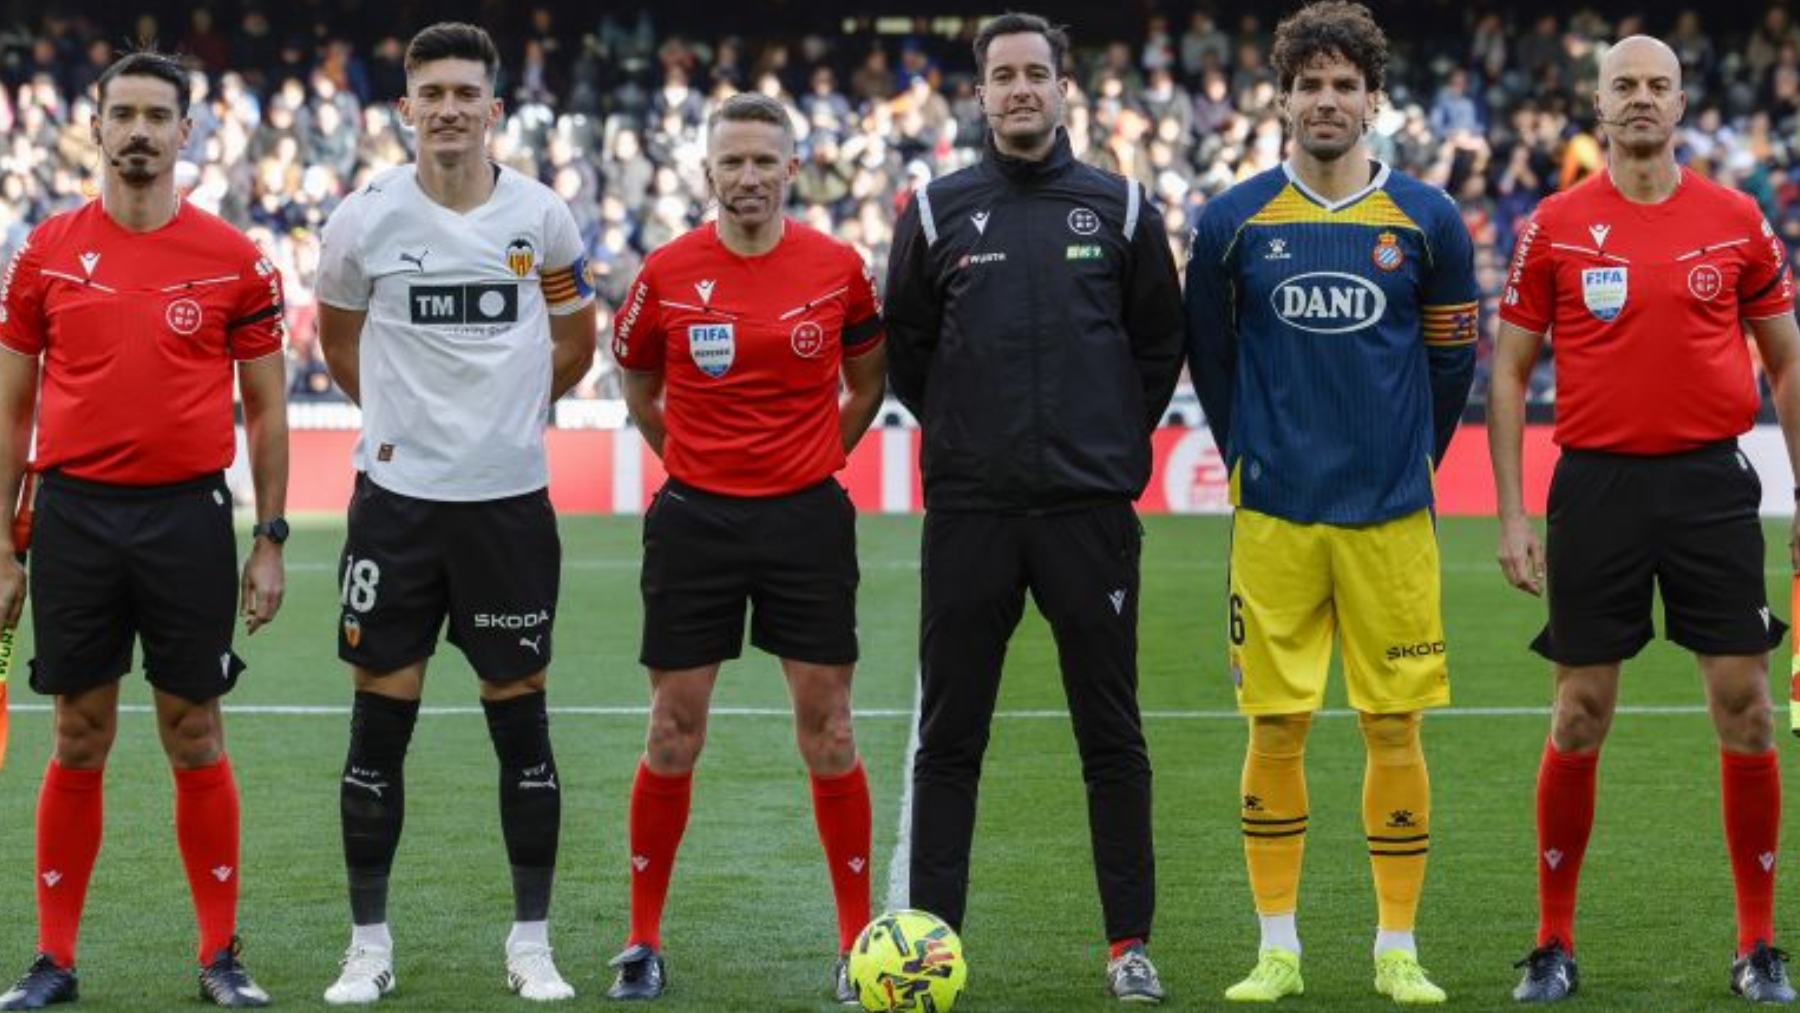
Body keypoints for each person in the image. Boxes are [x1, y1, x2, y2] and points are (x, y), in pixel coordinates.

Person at [1490, 34, 1800, 1005]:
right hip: (1596, 488)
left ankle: (1757, 944)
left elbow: (1785, 360)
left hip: (1712, 485)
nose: (1640, 100)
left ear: (1680, 101)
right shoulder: (1555, 223)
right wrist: (1511, 512)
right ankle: (1551, 941)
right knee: (1580, 712)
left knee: (1747, 706)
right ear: (1598, 101)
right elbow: (1507, 369)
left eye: (1657, 85)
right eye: (1623, 85)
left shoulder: (1737, 218)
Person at [883, 12, 1185, 1004]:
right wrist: (972, 436)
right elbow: (912, 350)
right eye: (1002, 75)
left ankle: (1128, 942)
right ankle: (929, 941)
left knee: (1111, 732)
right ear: (979, 94)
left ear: (1065, 92)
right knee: (951, 731)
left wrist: (1103, 442)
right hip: (970, 511)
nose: (1019, 89)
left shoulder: (1123, 209)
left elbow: (1156, 347)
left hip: (1087, 515)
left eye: (1036, 74)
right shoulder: (933, 211)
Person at [1184, 1, 1478, 1003]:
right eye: (1308, 84)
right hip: (1275, 522)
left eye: (1343, 85)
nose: (1326, 100)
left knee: (1394, 730)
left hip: (1392, 521)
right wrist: (1255, 459)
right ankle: (1280, 946)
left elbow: (1450, 367)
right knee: (1276, 728)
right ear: (1281, 99)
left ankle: (1397, 945)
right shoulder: (1231, 225)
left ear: (1372, 100)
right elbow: (1215, 370)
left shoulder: (1428, 220)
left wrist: (1405, 460)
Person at [0, 48, 289, 1010]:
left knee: (193, 730)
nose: (137, 130)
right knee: (77, 733)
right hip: (74, 517)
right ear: (94, 127)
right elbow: (11, 414)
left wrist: (272, 536)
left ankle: (219, 956)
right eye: (120, 112)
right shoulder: (43, 252)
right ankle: (53, 959)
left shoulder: (236, 259)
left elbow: (266, 411)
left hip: (189, 519)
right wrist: (3, 544)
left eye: (155, 115)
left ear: (185, 132)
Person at [313, 22, 596, 1006]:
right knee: (376, 730)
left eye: (463, 92)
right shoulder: (363, 220)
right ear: (405, 109)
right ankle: (366, 943)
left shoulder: (545, 219)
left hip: (509, 508)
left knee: (521, 728)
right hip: (395, 510)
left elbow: (575, 333)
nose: (446, 108)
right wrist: (406, 429)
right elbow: (337, 337)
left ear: (494, 110)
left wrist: (503, 425)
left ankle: (530, 941)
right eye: (428, 91)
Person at [604, 90, 887, 1005]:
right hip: (696, 522)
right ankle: (642, 939)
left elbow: (868, 378)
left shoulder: (838, 266)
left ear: (793, 167)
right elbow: (638, 380)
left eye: (767, 159)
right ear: (708, 171)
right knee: (672, 728)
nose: (750, 176)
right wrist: (689, 461)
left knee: (831, 728)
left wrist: (814, 460)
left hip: (806, 519)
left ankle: (855, 943)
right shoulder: (670, 270)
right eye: (734, 161)